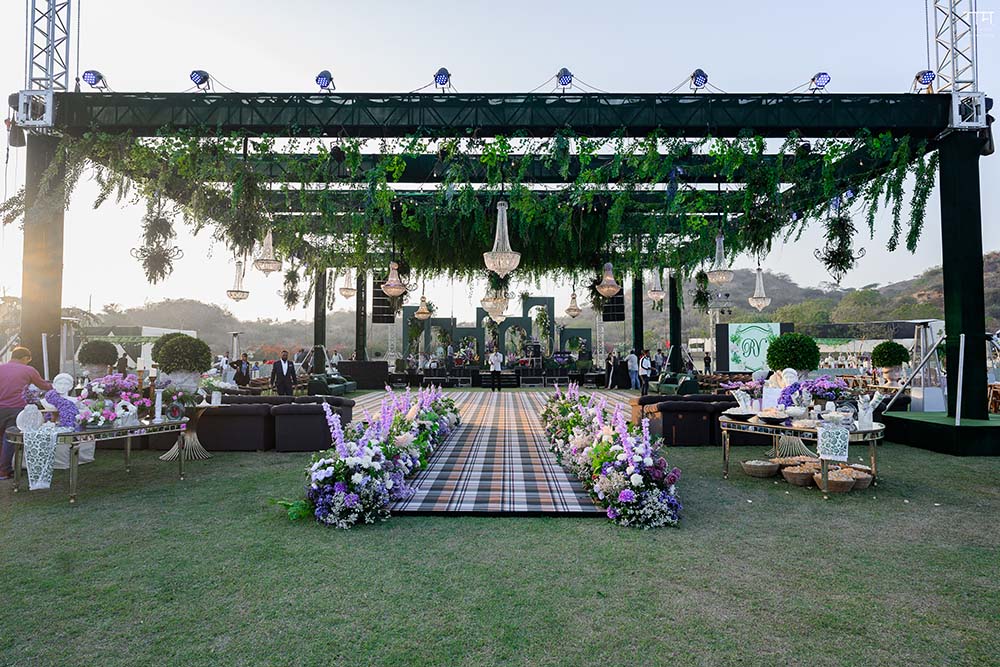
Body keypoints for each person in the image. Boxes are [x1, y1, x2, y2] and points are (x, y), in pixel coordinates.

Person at [0, 347, 53, 480]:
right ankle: (4, 471)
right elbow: (44, 386)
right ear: (25, 358)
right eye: (28, 360)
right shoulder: (28, 370)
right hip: (16, 408)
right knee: (9, 439)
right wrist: (55, 386)